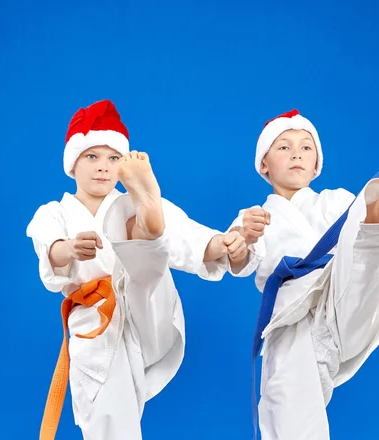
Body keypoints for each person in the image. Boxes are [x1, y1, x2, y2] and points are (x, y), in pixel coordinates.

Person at [226, 109, 379, 440]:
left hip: (342, 294)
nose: (296, 152)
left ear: (316, 165)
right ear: (263, 164)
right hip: (290, 322)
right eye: (283, 147)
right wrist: (245, 237)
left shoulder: (333, 201)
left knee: (364, 237)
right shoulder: (255, 216)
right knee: (288, 412)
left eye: (306, 147)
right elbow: (237, 257)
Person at [26, 99, 246, 440]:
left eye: (114, 158)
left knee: (138, 230)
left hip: (144, 303)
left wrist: (221, 244)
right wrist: (68, 248)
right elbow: (49, 248)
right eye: (92, 157)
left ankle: (147, 227)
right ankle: (146, 232)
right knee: (114, 407)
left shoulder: (123, 199)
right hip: (94, 318)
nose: (103, 167)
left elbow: (185, 233)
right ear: (72, 163)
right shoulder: (53, 212)